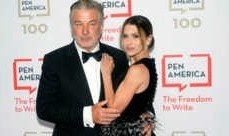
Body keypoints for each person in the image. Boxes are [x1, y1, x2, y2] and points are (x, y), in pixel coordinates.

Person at [36, 0, 152, 136]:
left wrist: (149, 117)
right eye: (78, 24)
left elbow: (137, 94)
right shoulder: (54, 60)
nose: (85, 31)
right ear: (72, 26)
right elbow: (44, 108)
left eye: (91, 24)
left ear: (102, 26)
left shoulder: (119, 56)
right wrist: (88, 115)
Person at [99, 15, 158, 136]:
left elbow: (113, 110)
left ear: (148, 39)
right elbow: (142, 102)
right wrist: (149, 117)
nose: (128, 42)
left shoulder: (137, 70)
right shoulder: (148, 65)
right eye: (125, 36)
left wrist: (106, 74)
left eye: (135, 36)